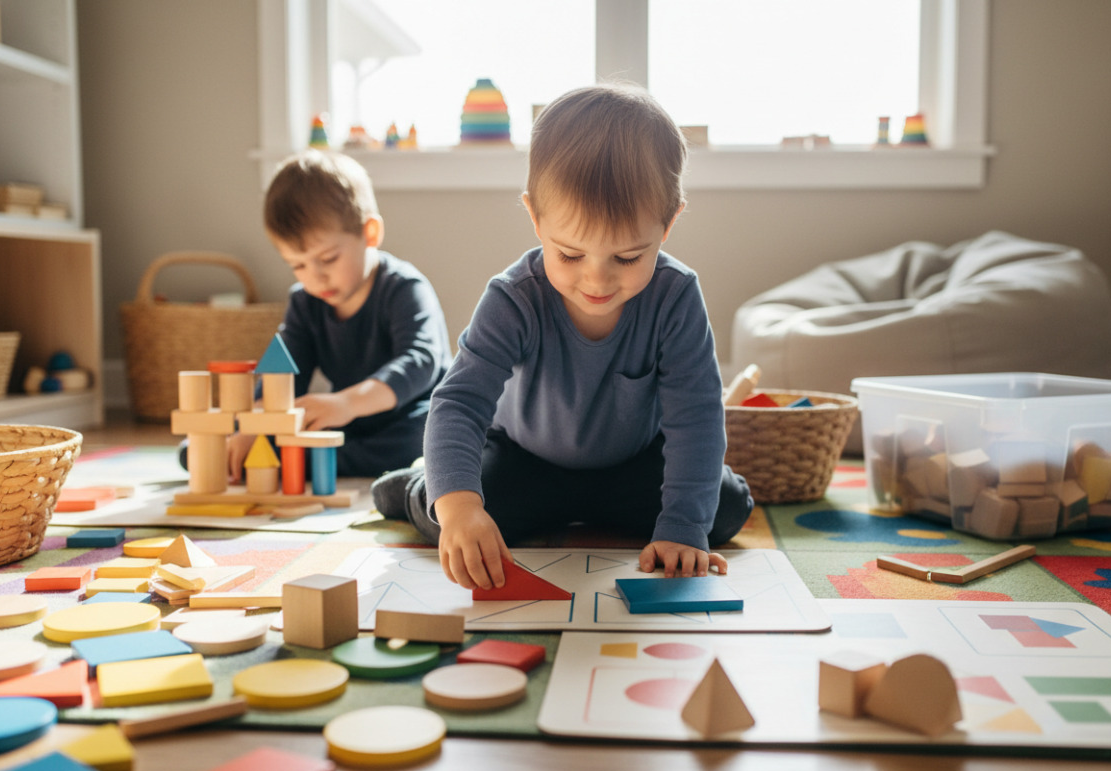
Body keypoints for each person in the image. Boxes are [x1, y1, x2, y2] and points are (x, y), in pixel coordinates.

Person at [373, 84, 754, 590]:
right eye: (571, 255)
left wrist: (683, 528)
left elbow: (697, 416)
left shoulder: (676, 296)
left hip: (632, 465)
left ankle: (650, 514)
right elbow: (460, 402)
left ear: (669, 223)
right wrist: (460, 507)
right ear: (534, 217)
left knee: (722, 512)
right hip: (526, 461)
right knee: (460, 516)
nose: (597, 280)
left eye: (627, 257)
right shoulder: (514, 298)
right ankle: (421, 483)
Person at [187, 149, 452, 481]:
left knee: (431, 434)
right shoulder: (304, 302)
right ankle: (316, 457)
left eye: (328, 259)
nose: (315, 277)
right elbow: (284, 375)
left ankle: (314, 459)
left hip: (407, 415)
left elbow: (421, 362)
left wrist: (347, 403)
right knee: (201, 447)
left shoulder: (404, 288)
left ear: (369, 234)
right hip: (347, 422)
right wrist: (253, 425)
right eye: (298, 265)